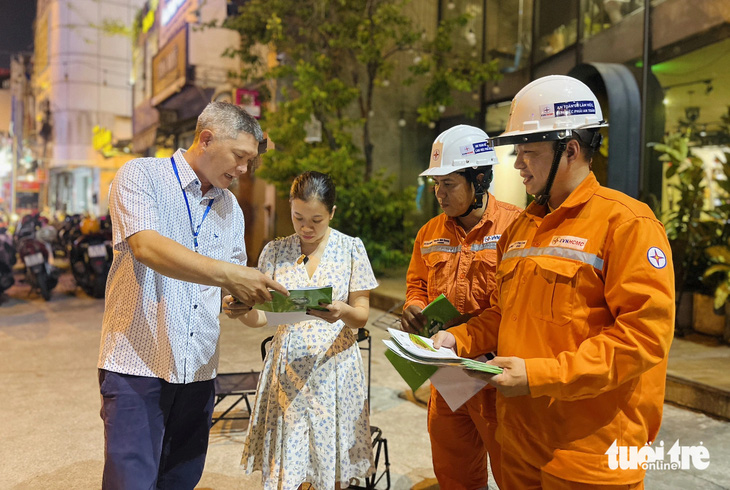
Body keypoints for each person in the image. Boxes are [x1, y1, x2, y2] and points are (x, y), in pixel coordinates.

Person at [433, 75, 675, 489]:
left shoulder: (627, 224)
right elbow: (506, 313)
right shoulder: (522, 228)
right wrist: (460, 339)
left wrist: (540, 375)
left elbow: (643, 339)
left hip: (591, 457)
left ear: (572, 149)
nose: (517, 163)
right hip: (519, 447)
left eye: (528, 152)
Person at [97, 102, 288, 490]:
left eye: (251, 162)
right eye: (240, 157)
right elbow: (147, 247)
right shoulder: (141, 175)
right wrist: (232, 275)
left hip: (199, 370)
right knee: (130, 481)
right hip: (138, 365)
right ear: (206, 139)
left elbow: (227, 293)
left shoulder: (230, 207)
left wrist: (239, 300)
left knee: (180, 480)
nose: (244, 170)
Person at [224, 171, 378, 490]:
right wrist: (241, 312)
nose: (306, 228)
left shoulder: (351, 249)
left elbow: (361, 315)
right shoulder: (275, 252)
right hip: (287, 369)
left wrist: (342, 311)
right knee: (287, 466)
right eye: (298, 218)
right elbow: (263, 319)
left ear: (332, 213)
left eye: (316, 219)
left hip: (334, 370)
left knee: (329, 464)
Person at [401, 125, 521, 489]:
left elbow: (512, 308)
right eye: (436, 184)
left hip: (496, 378)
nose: (439, 194)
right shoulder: (429, 232)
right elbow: (417, 282)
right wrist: (415, 305)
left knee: (513, 474)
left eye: (448, 184)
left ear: (480, 180)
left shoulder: (517, 228)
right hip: (448, 377)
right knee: (454, 473)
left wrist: (459, 337)